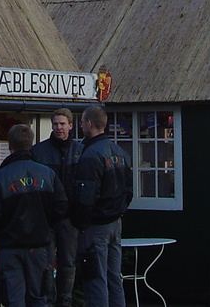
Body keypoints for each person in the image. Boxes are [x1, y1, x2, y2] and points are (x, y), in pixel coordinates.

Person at [0, 124, 68, 307]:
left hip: (10, 247)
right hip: (39, 246)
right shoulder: (48, 174)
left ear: (10, 147)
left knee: (14, 299)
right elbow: (61, 206)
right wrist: (47, 228)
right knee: (39, 298)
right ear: (31, 144)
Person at [73, 105, 132, 307]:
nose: (80, 126)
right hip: (115, 223)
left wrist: (80, 224)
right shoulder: (121, 152)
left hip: (96, 225)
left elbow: (86, 197)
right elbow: (129, 191)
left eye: (81, 122)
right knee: (114, 276)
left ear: (89, 124)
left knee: (95, 278)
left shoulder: (90, 155)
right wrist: (120, 211)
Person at [30, 107, 84, 307]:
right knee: (45, 264)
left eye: (62, 124)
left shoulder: (80, 151)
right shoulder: (38, 152)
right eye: (55, 124)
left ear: (71, 125)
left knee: (68, 263)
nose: (59, 128)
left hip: (70, 218)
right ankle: (48, 300)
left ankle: (65, 300)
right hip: (47, 218)